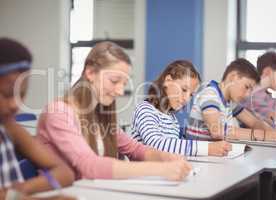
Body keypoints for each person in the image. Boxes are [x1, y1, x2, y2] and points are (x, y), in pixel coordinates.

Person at [37, 41, 192, 181]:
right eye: (114, 81)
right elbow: (89, 166)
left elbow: (134, 149)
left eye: (124, 83)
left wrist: (165, 157)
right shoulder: (58, 113)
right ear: (90, 73)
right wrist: (161, 169)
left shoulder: (100, 114)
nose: (120, 91)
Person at [0, 38, 74, 199]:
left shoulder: (10, 128)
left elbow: (64, 172)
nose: (15, 104)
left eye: (22, 94)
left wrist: (19, 191)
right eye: (7, 94)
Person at [131, 60, 232, 157]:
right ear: (168, 80)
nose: (186, 98)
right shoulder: (145, 109)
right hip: (145, 173)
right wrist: (207, 148)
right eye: (184, 89)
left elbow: (175, 147)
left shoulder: (172, 118)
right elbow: (157, 144)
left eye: (191, 94)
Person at [186, 58, 276, 142]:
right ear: (233, 77)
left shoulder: (230, 101)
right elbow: (216, 130)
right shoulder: (210, 94)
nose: (247, 95)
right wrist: (263, 135)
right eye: (247, 87)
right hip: (200, 159)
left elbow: (254, 122)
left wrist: (273, 132)